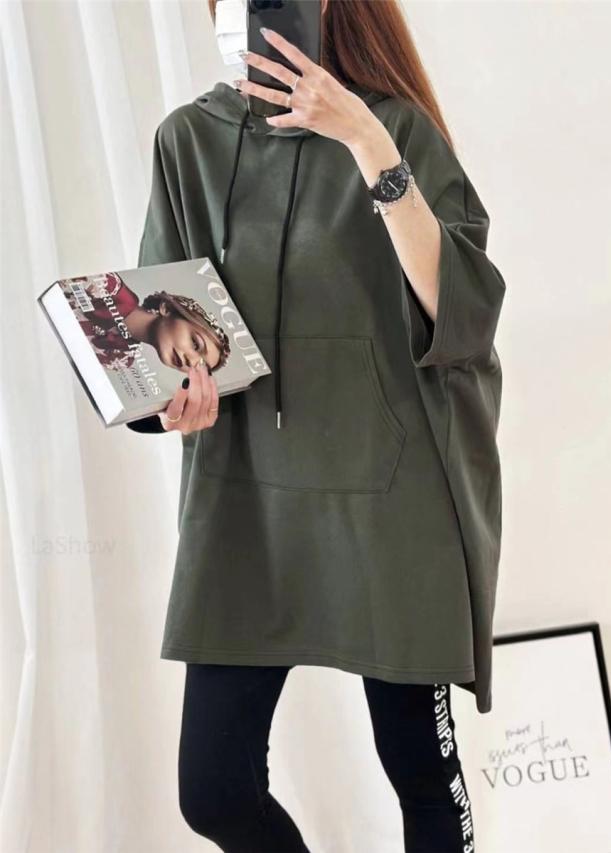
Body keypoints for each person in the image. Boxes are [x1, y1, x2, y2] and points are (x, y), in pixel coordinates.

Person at [128, 0, 506, 849]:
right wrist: (175, 398)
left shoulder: (393, 128)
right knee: (214, 789)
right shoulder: (187, 142)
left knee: (421, 775)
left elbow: (463, 313)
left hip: (392, 502)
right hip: (246, 505)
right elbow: (164, 332)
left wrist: (366, 140)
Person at [62, 270, 231, 375]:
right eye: (195, 344)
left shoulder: (121, 359)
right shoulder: (108, 286)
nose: (192, 363)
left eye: (201, 365)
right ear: (166, 308)